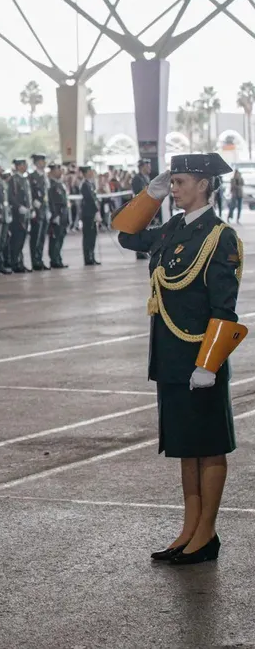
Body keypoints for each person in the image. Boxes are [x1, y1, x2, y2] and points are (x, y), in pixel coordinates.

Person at [114, 153, 244, 565]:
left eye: (180, 182)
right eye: (172, 183)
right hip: (170, 352)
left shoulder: (220, 236)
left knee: (209, 445)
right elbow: (126, 236)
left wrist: (208, 363)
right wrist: (149, 197)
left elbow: (225, 306)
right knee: (187, 446)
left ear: (204, 185)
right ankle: (189, 528)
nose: (174, 189)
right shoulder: (173, 226)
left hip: (200, 354)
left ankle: (206, 534)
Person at [46, 163, 69, 269]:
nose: (60, 172)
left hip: (63, 214)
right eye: (58, 169)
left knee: (60, 237)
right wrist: (55, 215)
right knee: (55, 237)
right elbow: (51, 201)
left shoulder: (60, 184)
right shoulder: (50, 184)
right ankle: (54, 259)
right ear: (52, 171)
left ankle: (58, 258)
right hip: (57, 214)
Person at [79, 165, 101, 266]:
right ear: (86, 173)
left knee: (93, 236)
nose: (92, 172)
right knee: (88, 236)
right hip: (88, 214)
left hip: (92, 213)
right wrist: (96, 210)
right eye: (89, 171)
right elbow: (90, 200)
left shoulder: (90, 184)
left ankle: (92, 256)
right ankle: (88, 258)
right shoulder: (85, 185)